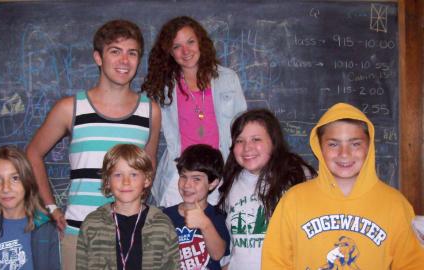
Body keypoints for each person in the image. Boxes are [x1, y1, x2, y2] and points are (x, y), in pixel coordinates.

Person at [26, 20, 161, 269]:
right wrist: (52, 208)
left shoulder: (150, 111)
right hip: (79, 236)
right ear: (98, 57)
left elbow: (148, 167)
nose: (124, 61)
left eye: (132, 53)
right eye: (115, 51)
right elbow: (33, 153)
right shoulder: (70, 108)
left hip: (131, 237)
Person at [261, 103, 424, 269]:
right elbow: (275, 262)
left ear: (369, 147)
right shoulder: (293, 201)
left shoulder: (395, 205)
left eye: (355, 144)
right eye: (333, 144)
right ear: (319, 147)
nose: (344, 154)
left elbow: (412, 264)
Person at [141, 16, 247, 207]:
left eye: (190, 42)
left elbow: (243, 129)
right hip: (179, 177)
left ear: (201, 43)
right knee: (176, 234)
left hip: (219, 176)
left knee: (215, 233)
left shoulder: (228, 79)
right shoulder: (162, 86)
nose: (185, 51)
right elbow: (150, 135)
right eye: (176, 46)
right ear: (169, 52)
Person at [216, 109, 317, 270]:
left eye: (256, 139)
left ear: (273, 142)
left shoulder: (298, 176)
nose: (247, 147)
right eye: (239, 141)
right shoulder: (229, 182)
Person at [76, 144, 179, 270]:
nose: (126, 181)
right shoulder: (92, 224)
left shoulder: (162, 224)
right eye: (118, 175)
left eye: (134, 174)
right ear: (107, 180)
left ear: (146, 179)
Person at [163, 144, 230, 270]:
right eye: (183, 176)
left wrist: (205, 224)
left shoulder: (218, 216)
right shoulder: (165, 215)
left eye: (196, 179)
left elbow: (218, 255)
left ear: (212, 183)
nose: (187, 185)